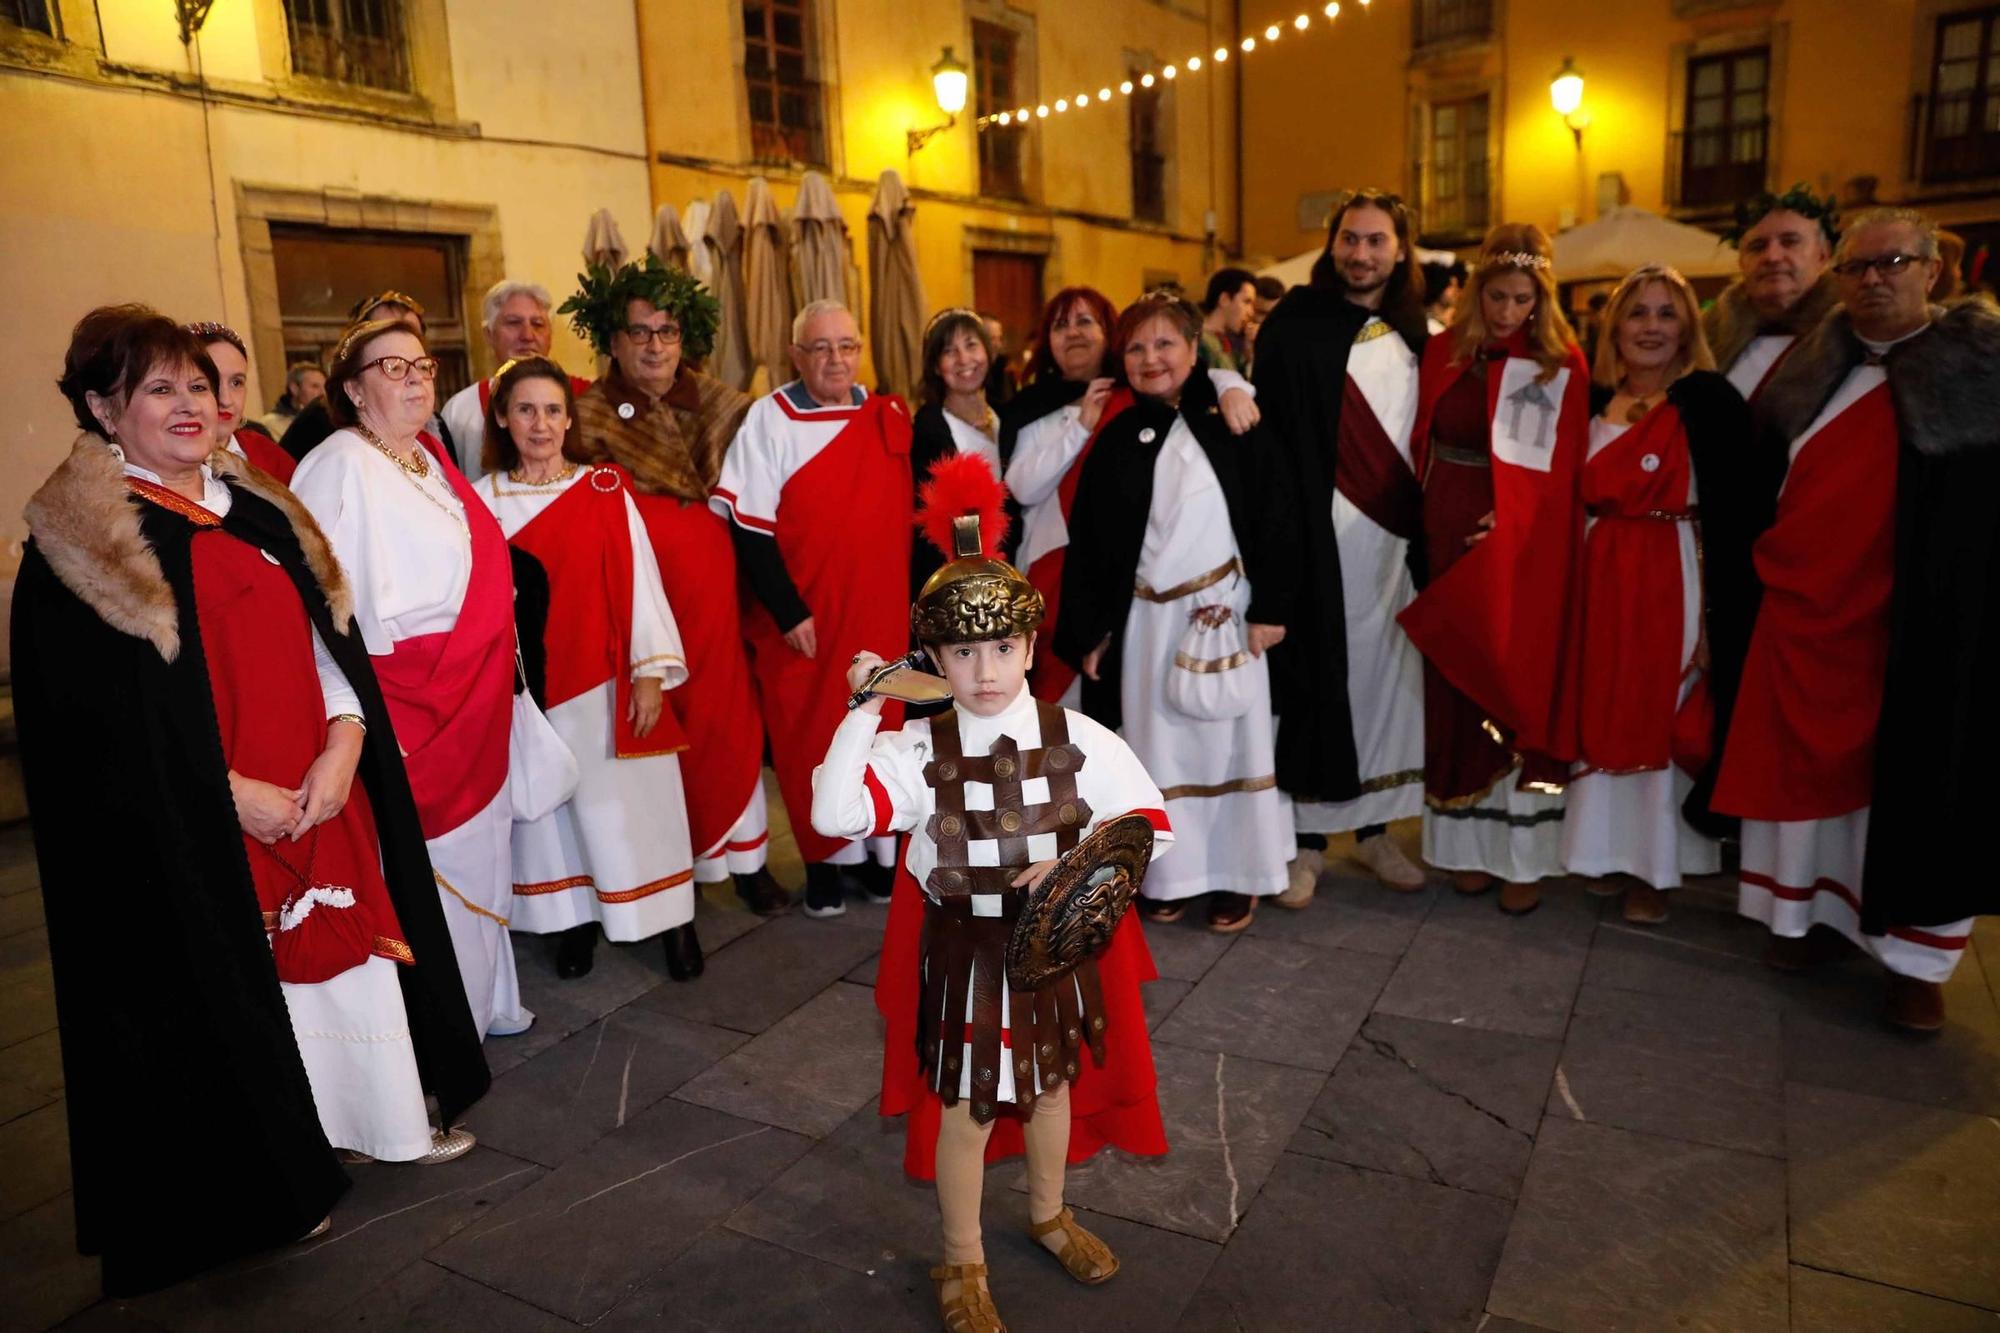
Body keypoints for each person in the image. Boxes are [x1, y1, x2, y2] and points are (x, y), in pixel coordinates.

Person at [16, 307, 489, 1295]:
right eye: (158, 389)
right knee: (245, 1000)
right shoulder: (85, 552)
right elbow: (104, 740)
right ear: (104, 408)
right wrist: (230, 796)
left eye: (198, 385)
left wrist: (344, 743)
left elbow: (329, 644)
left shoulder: (260, 511)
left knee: (344, 969)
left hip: (319, 796)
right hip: (211, 835)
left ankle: (377, 1122)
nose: (190, 406)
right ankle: (265, 1178)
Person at [812, 457, 1170, 1333]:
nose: (983, 670)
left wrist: (1079, 864)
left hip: (1056, 946)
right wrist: (869, 705)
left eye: (1000, 648)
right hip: (965, 950)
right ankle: (961, 1256)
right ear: (933, 654)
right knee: (970, 1108)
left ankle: (1050, 1213)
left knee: (1049, 1090)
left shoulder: (1076, 733)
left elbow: (1151, 821)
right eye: (962, 651)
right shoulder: (914, 750)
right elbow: (831, 814)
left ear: (1026, 645)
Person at [1713, 207, 2000, 1031]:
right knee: (1809, 782)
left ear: (1933, 269)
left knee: (1916, 786)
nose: (1874, 279)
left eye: (1893, 263)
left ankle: (1915, 965)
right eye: (1858, 268)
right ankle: (1808, 920)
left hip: (1924, 628)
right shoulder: (1814, 367)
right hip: (1807, 616)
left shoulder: (1981, 370)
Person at [290, 318, 532, 1039]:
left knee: (484, 845)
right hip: (405, 690)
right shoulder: (338, 461)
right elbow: (313, 595)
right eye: (391, 369)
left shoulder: (430, 455)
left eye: (421, 365)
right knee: (427, 859)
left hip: (473, 678)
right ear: (355, 391)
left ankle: (484, 1002)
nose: (415, 378)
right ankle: (440, 1027)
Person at [1056, 292, 1292, 933]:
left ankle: (1239, 877)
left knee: (1229, 749)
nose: (1151, 358)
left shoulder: (1234, 424)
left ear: (1194, 350)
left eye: (1165, 344)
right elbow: (1096, 546)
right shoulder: (1115, 444)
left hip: (1226, 612)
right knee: (1159, 756)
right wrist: (1095, 630)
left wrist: (1270, 608)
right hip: (1148, 622)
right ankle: (1171, 875)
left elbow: (1276, 518)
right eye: (1136, 347)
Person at [565, 256, 789, 916]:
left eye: (665, 331)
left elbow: (760, 504)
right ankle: (667, 868)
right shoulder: (585, 413)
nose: (654, 345)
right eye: (640, 332)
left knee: (725, 714)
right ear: (614, 341)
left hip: (712, 589)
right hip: (629, 593)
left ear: (685, 338)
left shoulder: (727, 407)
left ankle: (748, 862)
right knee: (651, 725)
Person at [474, 358, 703, 980]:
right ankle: (571, 922)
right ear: (502, 418)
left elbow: (640, 578)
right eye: (525, 410)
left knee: (635, 811)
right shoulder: (483, 499)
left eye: (552, 410)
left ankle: (672, 923)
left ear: (569, 418)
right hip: (533, 685)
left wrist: (649, 671)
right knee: (551, 817)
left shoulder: (604, 488)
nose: (540, 424)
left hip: (606, 677)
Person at [1562, 266, 1770, 924]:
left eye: (1666, 314)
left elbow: (1738, 515)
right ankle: (1602, 853)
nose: (1651, 327)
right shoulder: (1592, 402)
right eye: (1638, 313)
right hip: (1602, 572)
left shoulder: (1710, 402)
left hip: (1675, 568)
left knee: (1661, 707)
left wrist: (1716, 616)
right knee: (1602, 707)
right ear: (1614, 327)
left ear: (1687, 329)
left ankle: (1656, 868)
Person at [1398, 225, 1592, 917]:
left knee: (1512, 680)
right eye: (1500, 296)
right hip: (1446, 528)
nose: (1511, 311)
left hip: (1521, 544)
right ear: (1478, 291)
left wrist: (1517, 519)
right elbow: (1421, 439)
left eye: (1525, 298)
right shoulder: (1444, 353)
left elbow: (1564, 466)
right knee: (1453, 685)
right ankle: (1467, 848)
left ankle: (1525, 854)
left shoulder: (1557, 360)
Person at [1252, 190, 1431, 906]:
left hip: (1394, 542)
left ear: (1399, 249)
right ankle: (1309, 844)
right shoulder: (1294, 324)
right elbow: (1269, 440)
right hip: (1315, 538)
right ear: (1333, 244)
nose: (1360, 253)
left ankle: (1379, 832)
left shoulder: (1420, 330)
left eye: (1376, 240)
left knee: (1387, 678)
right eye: (1350, 239)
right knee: (1316, 679)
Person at [713, 299, 913, 918]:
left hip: (878, 608)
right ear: (796, 354)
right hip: (808, 621)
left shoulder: (888, 415)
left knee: (885, 729)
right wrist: (787, 610)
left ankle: (882, 858)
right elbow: (749, 525)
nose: (835, 359)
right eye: (820, 347)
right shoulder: (769, 419)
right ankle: (826, 864)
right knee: (812, 737)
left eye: (846, 346)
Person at [1004, 287, 1258, 707]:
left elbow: (1191, 375)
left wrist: (1233, 384)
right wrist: (1082, 425)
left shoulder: (1134, 395)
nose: (1074, 333)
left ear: (1110, 333)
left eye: (1086, 321)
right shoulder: (1028, 404)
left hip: (1131, 573)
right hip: (1050, 567)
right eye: (1060, 324)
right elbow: (1023, 487)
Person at [441, 281, 592, 484]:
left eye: (538, 324)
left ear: (551, 335)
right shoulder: (460, 410)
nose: (527, 336)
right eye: (513, 323)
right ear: (489, 334)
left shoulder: (587, 398)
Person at [281, 291, 457, 465]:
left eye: (413, 335)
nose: (416, 377)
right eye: (394, 365)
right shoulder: (324, 431)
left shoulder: (435, 427)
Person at [910, 308, 1011, 600]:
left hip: (1015, 567)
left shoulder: (1008, 417)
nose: (964, 360)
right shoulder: (929, 430)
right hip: (961, 585)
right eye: (949, 351)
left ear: (988, 351)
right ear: (936, 366)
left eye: (971, 345)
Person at [1706, 184, 1840, 401]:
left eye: (1790, 242)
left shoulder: (1858, 336)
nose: (1773, 257)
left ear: (1823, 255)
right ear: (1742, 262)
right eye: (1758, 246)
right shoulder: (1705, 341)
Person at [187, 321, 296, 483]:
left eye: (236, 382)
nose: (226, 400)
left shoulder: (268, 454)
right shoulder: (167, 464)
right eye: (211, 382)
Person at [1198, 266, 1257, 373]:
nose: (1251, 312)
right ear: (1224, 299)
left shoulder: (1225, 341)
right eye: (1246, 302)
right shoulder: (1199, 340)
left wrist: (1249, 353)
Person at [265, 360, 326, 439]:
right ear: (295, 389)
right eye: (315, 386)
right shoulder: (272, 425)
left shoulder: (327, 420)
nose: (323, 393)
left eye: (325, 386)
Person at [1421, 258, 1465, 334]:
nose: (1457, 290)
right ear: (1437, 288)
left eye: (1456, 285)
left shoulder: (1453, 321)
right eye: (1450, 285)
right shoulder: (1429, 327)